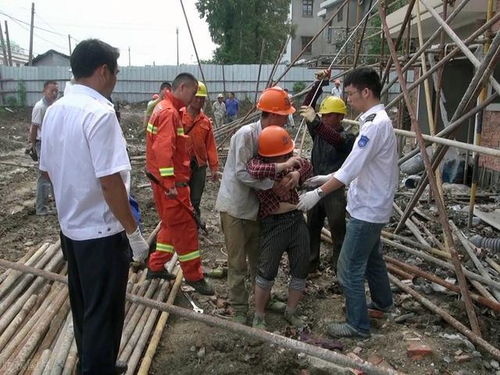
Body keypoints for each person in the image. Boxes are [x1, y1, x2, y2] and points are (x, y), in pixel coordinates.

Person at [40, 39, 149, 374]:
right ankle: (96, 368)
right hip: (102, 234)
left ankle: (92, 362)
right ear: (103, 71)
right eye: (115, 73)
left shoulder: (55, 110)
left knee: (85, 304)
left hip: (71, 230)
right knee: (105, 312)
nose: (115, 80)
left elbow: (45, 170)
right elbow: (110, 182)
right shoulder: (100, 113)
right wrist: (134, 233)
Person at [297, 67, 398, 338]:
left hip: (367, 209)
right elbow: (357, 167)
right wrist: (322, 177)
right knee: (374, 257)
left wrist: (317, 193)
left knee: (348, 266)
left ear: (366, 92)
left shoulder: (373, 127)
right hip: (372, 204)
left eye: (351, 94)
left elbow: (349, 170)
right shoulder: (375, 121)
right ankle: (382, 302)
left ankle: (357, 325)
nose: (349, 99)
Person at [215, 86, 296, 324]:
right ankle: (240, 308)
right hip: (236, 208)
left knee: (260, 260)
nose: (286, 121)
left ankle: (264, 300)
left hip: (256, 209)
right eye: (283, 115)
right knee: (237, 262)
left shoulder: (272, 137)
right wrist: (273, 185)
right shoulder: (245, 135)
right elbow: (242, 173)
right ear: (272, 114)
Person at [146, 73, 214, 296]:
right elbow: (163, 150)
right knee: (186, 229)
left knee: (169, 225)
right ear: (183, 87)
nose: (194, 98)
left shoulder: (163, 108)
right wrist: (171, 184)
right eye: (193, 93)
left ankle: (155, 266)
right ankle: (194, 276)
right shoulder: (170, 113)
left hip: (163, 183)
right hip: (172, 184)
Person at [246, 126, 312, 330]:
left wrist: (297, 174)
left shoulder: (290, 160)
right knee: (266, 271)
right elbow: (254, 170)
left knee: (300, 268)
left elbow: (308, 165)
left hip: (296, 221)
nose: (287, 155)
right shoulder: (259, 165)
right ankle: (259, 315)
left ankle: (290, 311)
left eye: (287, 153)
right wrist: (283, 166)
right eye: (282, 154)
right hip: (274, 224)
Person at [299, 73, 355, 275]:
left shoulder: (347, 138)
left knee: (338, 231)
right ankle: (311, 265)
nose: (323, 117)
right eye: (322, 115)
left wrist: (316, 123)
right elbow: (307, 107)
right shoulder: (319, 131)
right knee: (311, 228)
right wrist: (319, 83)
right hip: (315, 187)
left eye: (328, 115)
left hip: (333, 191)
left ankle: (339, 270)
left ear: (340, 116)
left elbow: (335, 140)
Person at [180, 81, 219, 224]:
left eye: (202, 98)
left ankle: (194, 224)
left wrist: (214, 167)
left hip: (199, 166)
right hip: (182, 165)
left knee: (195, 198)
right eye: (196, 97)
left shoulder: (205, 121)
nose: (199, 100)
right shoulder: (179, 116)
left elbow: (210, 146)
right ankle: (182, 223)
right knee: (181, 197)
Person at [29, 80, 58, 216]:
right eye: (51, 91)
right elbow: (34, 128)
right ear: (44, 91)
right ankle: (41, 208)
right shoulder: (40, 107)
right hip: (42, 144)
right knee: (44, 176)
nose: (54, 93)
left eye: (56, 91)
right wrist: (32, 145)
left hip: (52, 144)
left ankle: (58, 206)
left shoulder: (55, 106)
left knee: (54, 175)